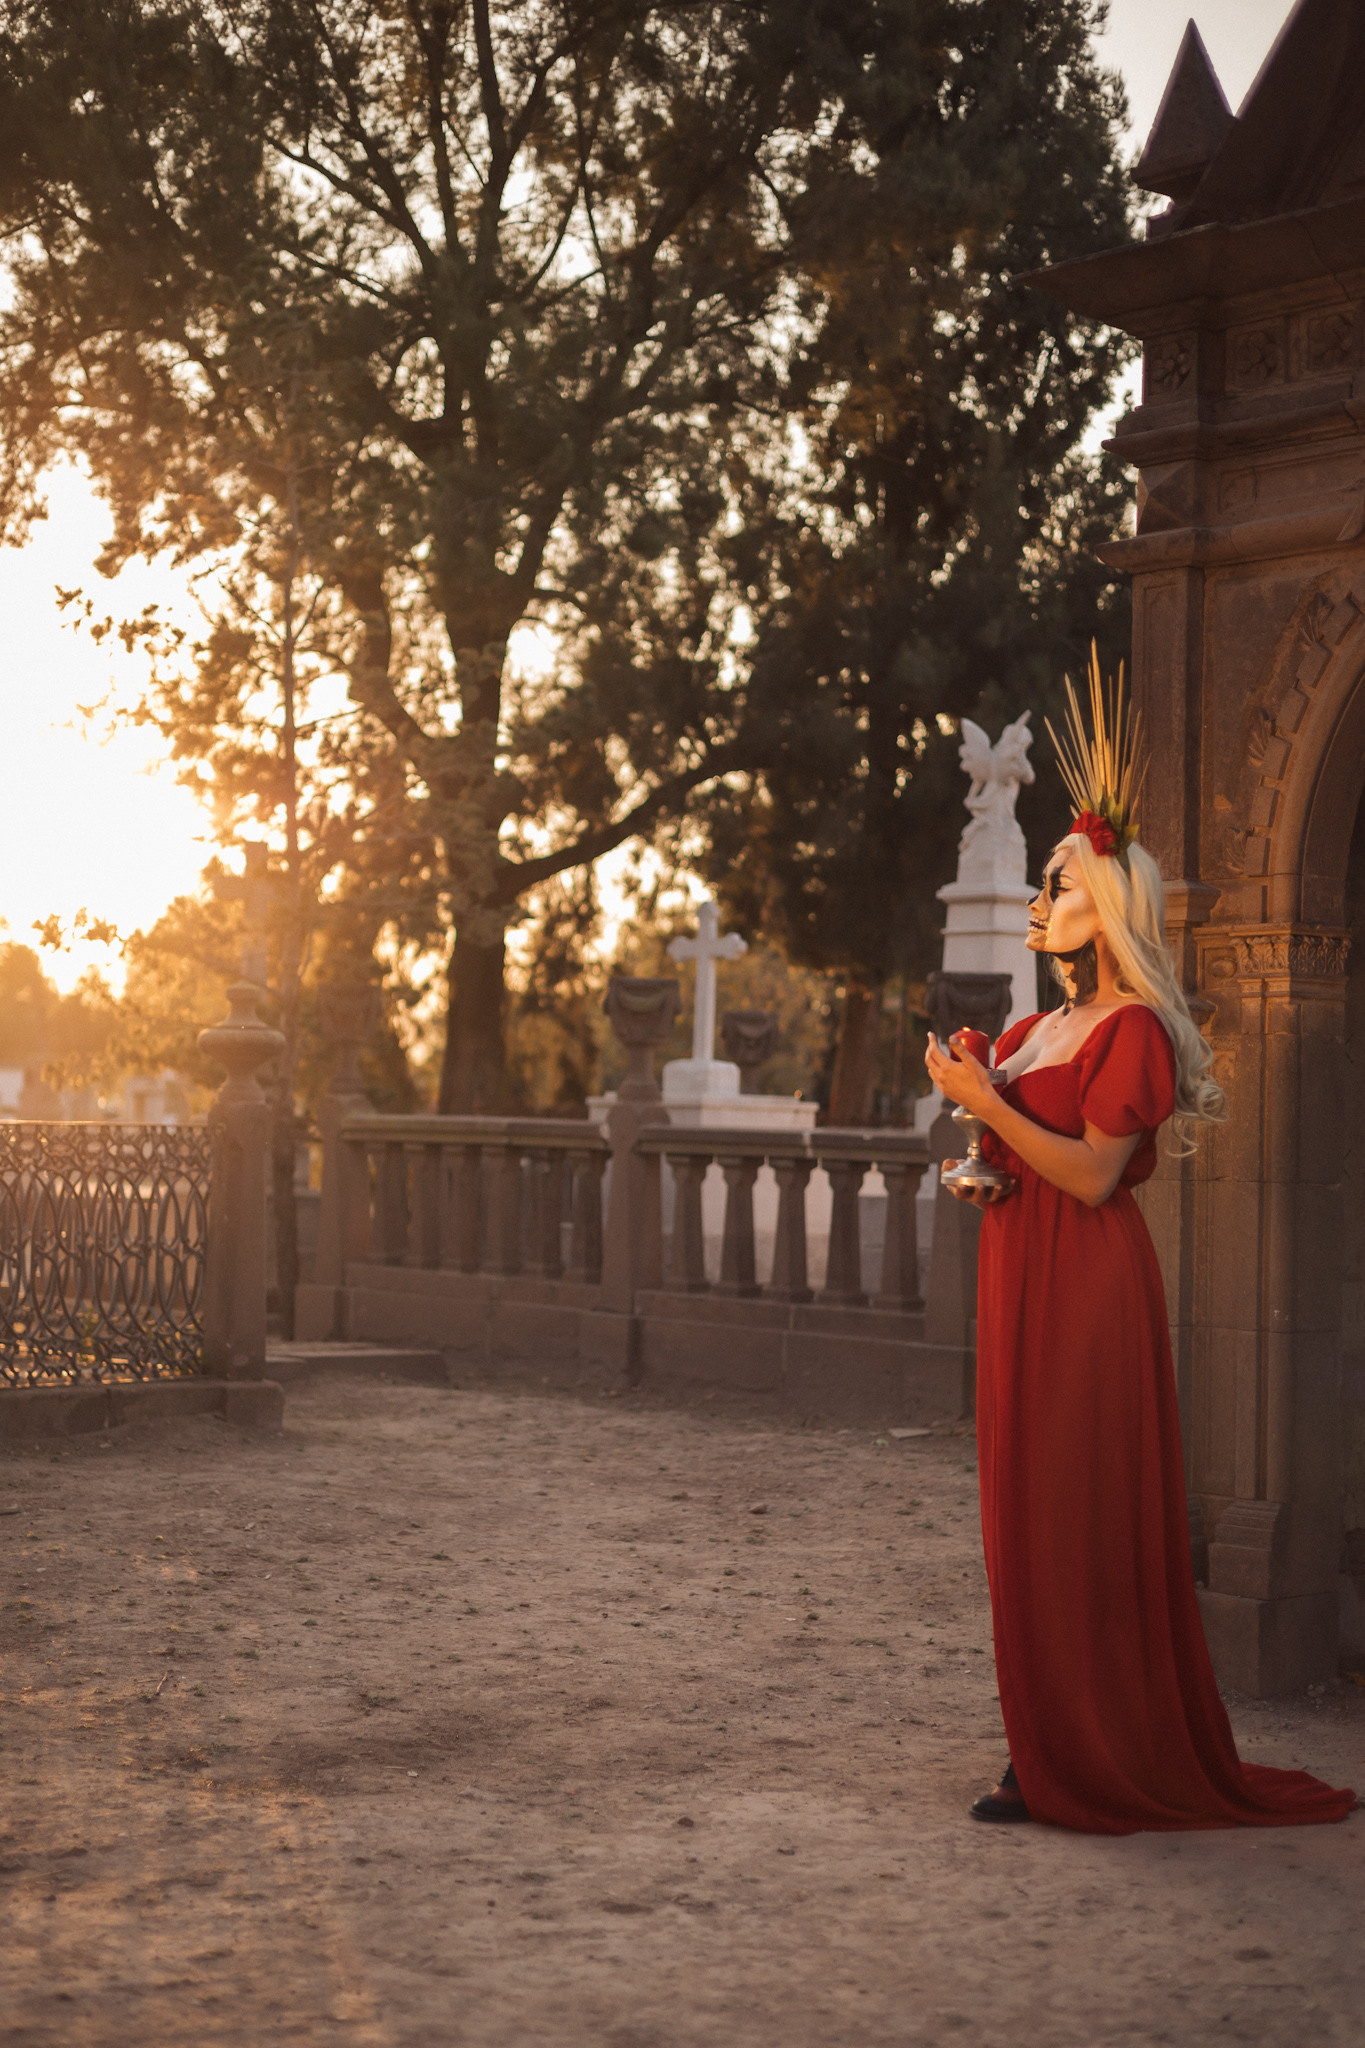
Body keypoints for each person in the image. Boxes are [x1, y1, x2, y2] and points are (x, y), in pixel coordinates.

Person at [923, 658, 1356, 1835]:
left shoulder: (1135, 1031)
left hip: (1088, 1286)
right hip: (1020, 1271)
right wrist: (975, 1111)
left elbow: (1090, 1173)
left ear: (1106, 908)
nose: (1040, 896)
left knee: (1078, 1513)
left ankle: (1095, 1748)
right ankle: (1042, 1738)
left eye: (1057, 883)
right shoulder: (1038, 1023)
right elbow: (1017, 1157)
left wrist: (987, 1101)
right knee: (1022, 1517)